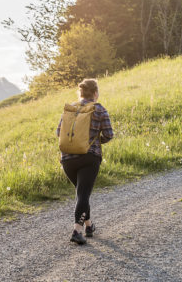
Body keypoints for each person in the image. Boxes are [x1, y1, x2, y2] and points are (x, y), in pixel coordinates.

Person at [55, 78, 114, 245]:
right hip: (89, 158)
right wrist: (94, 142)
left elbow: (58, 132)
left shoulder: (70, 109)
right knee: (83, 194)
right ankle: (76, 231)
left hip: (67, 159)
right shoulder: (99, 109)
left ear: (80, 93)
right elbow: (109, 134)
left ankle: (88, 226)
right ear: (95, 93)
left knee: (82, 193)